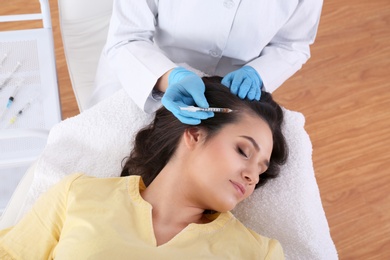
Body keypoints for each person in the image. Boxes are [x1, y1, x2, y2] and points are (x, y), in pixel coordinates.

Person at [0, 77, 288, 259]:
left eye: (261, 171)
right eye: (243, 151)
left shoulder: (257, 253)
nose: (252, 176)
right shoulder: (78, 195)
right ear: (195, 134)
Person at [89, 0, 323, 124]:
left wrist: (258, 74)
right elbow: (127, 37)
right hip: (146, 71)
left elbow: (292, 44)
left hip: (230, 88)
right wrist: (171, 78)